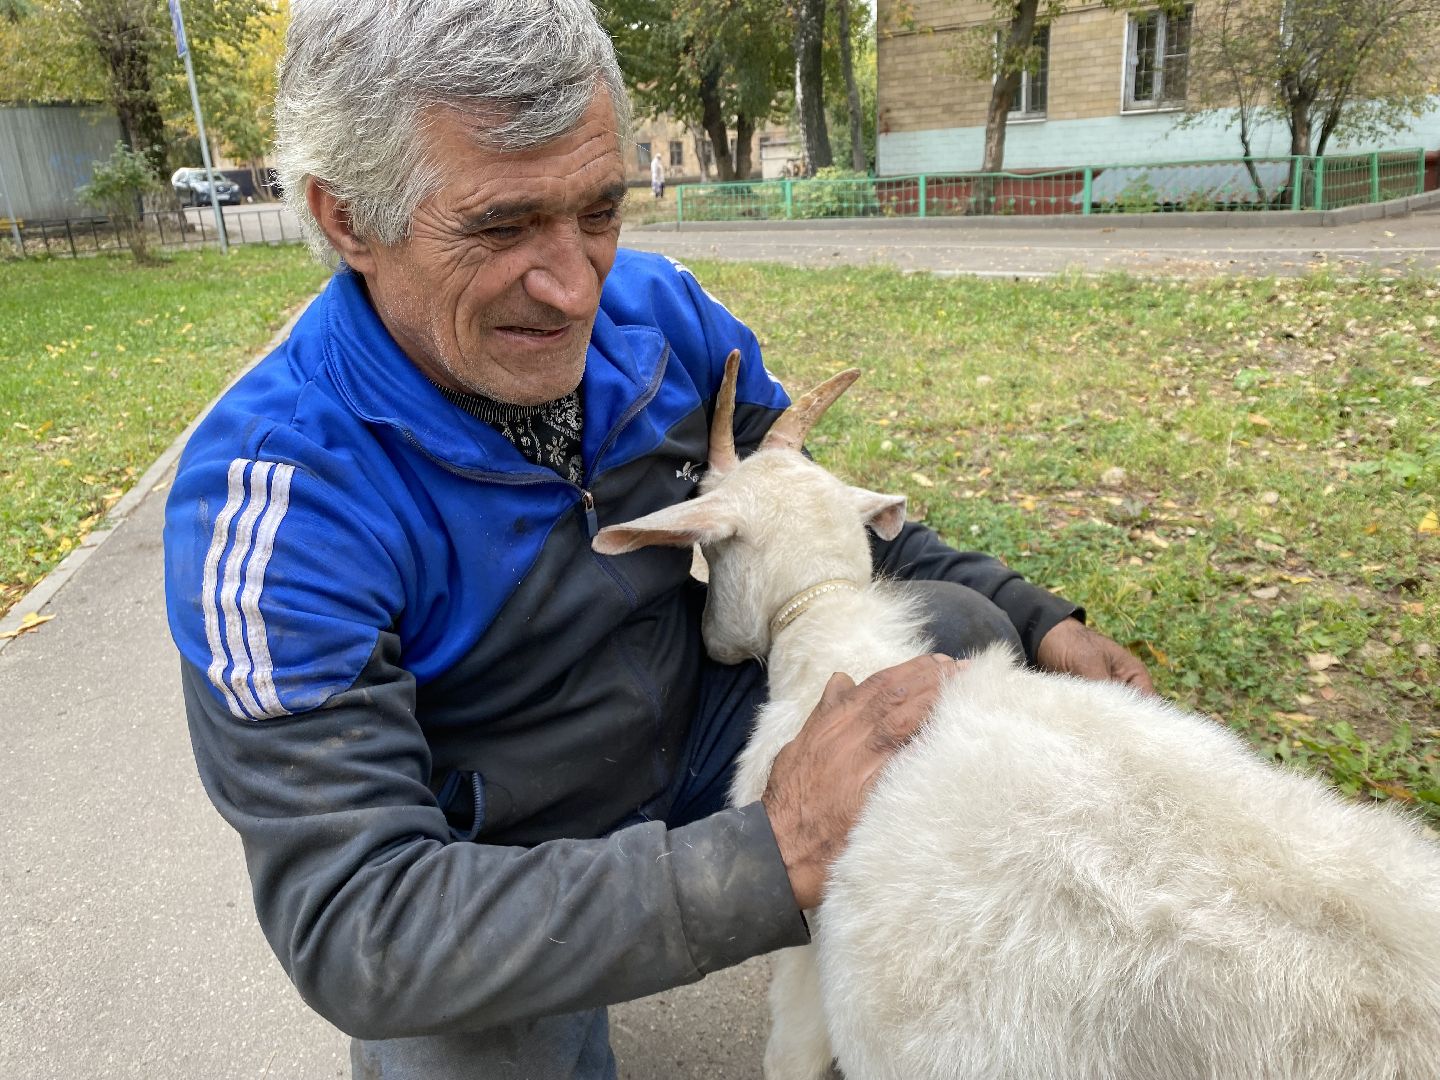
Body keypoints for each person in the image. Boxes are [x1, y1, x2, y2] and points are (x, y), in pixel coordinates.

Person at [161, 2, 1152, 1077]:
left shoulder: (664, 316)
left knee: (950, 635)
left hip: (693, 727)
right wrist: (769, 855)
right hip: (497, 850)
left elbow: (812, 520)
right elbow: (363, 923)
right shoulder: (276, 499)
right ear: (349, 219)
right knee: (454, 1031)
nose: (575, 288)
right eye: (501, 226)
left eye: (598, 209)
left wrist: (1037, 617)